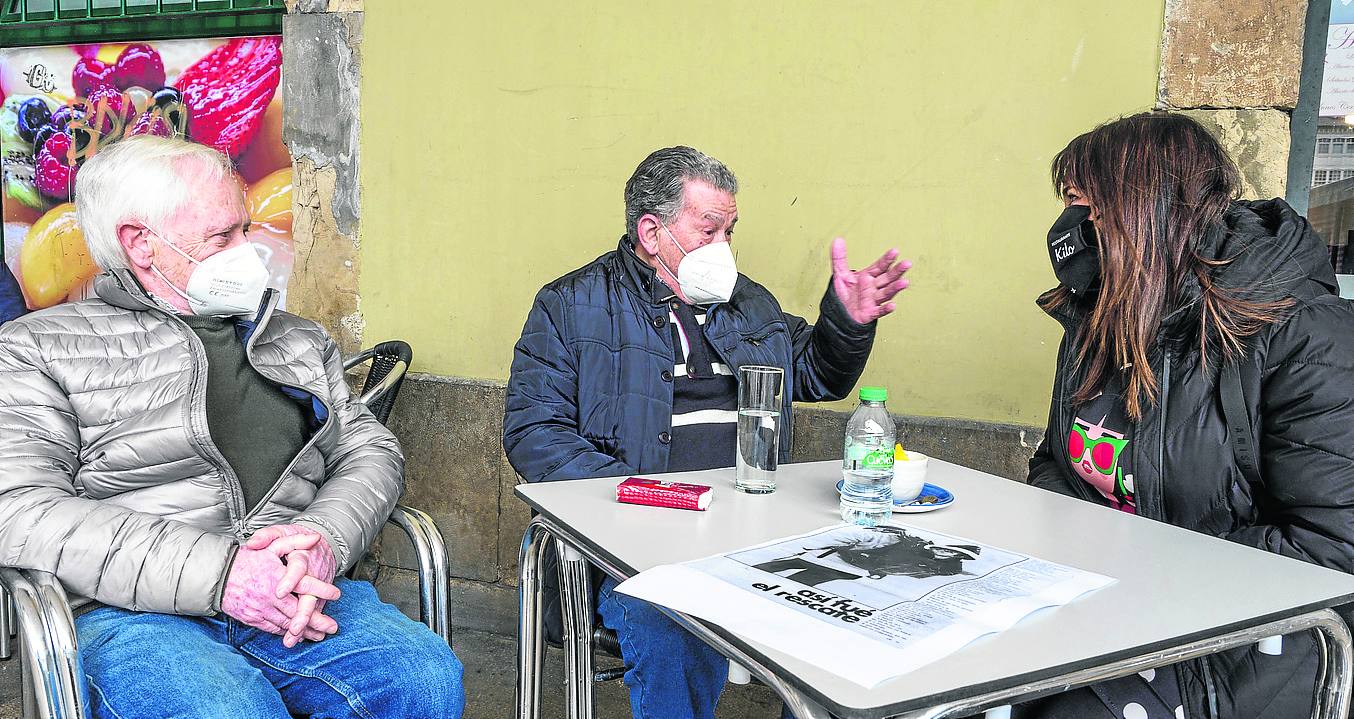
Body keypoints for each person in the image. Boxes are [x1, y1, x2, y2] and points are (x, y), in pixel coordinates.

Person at [0, 136, 465, 719]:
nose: (251, 251)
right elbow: (19, 510)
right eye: (224, 237)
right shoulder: (36, 348)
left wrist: (325, 537)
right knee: (231, 709)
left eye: (246, 228)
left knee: (420, 679)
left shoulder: (296, 338)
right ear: (141, 243)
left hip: (291, 589)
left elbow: (369, 450)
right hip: (131, 611)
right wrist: (220, 574)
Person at [503, 146, 909, 719]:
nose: (724, 247)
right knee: (675, 621)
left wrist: (846, 322)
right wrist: (649, 501)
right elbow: (533, 432)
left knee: (861, 603)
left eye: (730, 230)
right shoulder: (572, 305)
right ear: (651, 232)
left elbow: (815, 375)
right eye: (709, 229)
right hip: (630, 548)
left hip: (754, 531)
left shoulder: (746, 303)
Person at [1024, 112, 1354, 718]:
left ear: (1140, 209)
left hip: (1242, 654)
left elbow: (1335, 548)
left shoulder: (1305, 337)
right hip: (1101, 612)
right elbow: (1055, 464)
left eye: (1082, 206)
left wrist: (1137, 568)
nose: (1067, 231)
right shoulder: (1100, 320)